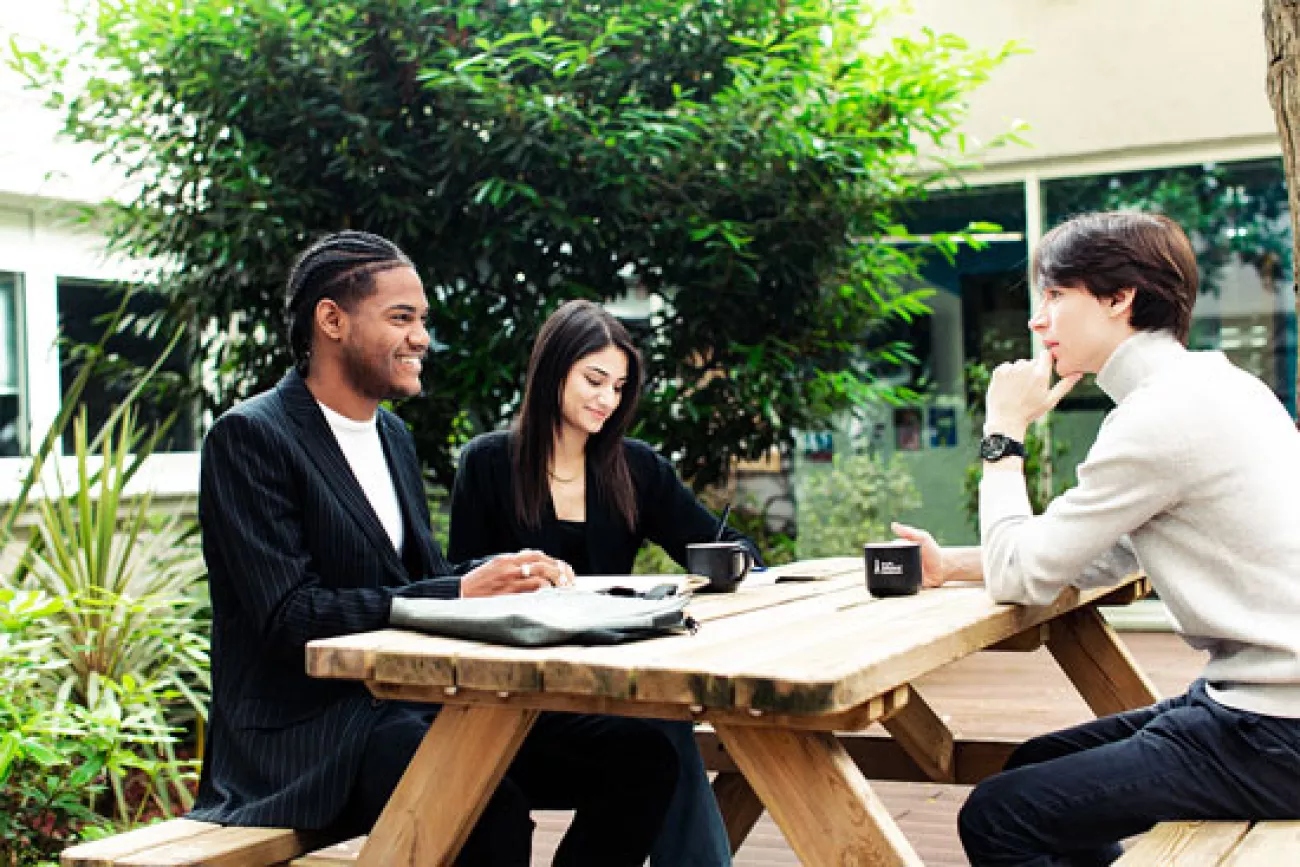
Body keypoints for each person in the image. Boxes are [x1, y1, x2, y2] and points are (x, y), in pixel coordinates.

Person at [189, 231, 679, 866]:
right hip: (308, 734)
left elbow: (418, 578)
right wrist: (457, 590)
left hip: (411, 706)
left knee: (640, 759)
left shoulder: (391, 434)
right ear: (331, 320)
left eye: (423, 319)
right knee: (487, 812)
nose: (422, 337)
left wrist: (500, 573)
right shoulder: (251, 437)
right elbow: (289, 617)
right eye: (402, 318)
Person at [892, 211, 1300, 866]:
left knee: (1001, 815)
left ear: (1118, 297)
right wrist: (951, 565)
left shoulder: (1159, 414)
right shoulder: (1217, 385)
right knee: (1034, 763)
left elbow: (1024, 574)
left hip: (1272, 728)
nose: (1037, 318)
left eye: (1055, 294)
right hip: (1254, 702)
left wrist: (1003, 433)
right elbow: (1105, 550)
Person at [448, 299, 760, 867]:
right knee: (662, 734)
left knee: (662, 730)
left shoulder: (636, 470)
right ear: (553, 371)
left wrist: (725, 564)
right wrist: (516, 577)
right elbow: (456, 585)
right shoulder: (489, 463)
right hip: (513, 701)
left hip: (610, 688)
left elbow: (730, 547)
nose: (606, 400)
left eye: (618, 387)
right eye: (594, 380)